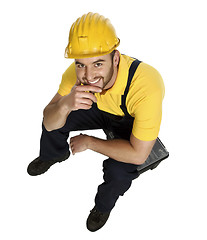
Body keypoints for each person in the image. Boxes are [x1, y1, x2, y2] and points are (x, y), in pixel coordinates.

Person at [27, 12, 165, 232]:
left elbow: (138, 154)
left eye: (98, 64)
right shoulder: (76, 74)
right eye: (81, 65)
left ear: (116, 58)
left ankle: (102, 207)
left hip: (128, 122)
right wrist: (65, 106)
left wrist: (90, 142)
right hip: (99, 108)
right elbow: (48, 120)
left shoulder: (146, 85)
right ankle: (54, 154)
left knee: (119, 172)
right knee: (57, 118)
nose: (88, 76)